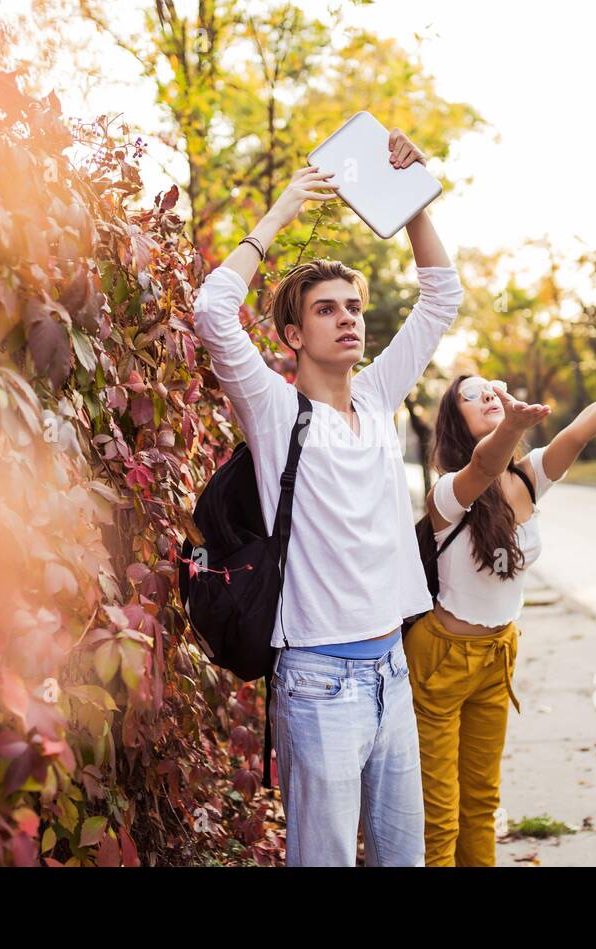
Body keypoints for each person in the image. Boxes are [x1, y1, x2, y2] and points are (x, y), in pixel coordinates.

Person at [190, 130, 462, 866]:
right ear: (290, 335)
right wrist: (278, 213)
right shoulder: (278, 414)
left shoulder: (375, 398)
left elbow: (441, 299)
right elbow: (213, 313)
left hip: (392, 673)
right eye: (325, 310)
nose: (348, 318)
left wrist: (409, 200)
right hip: (318, 684)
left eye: (354, 306)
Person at [407, 353, 596, 866]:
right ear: (454, 421)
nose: (486, 393)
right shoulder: (448, 492)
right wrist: (511, 425)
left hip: (496, 655)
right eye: (471, 393)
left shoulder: (529, 478)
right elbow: (484, 465)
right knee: (441, 813)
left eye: (492, 385)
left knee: (482, 802)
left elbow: (579, 431)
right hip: (440, 660)